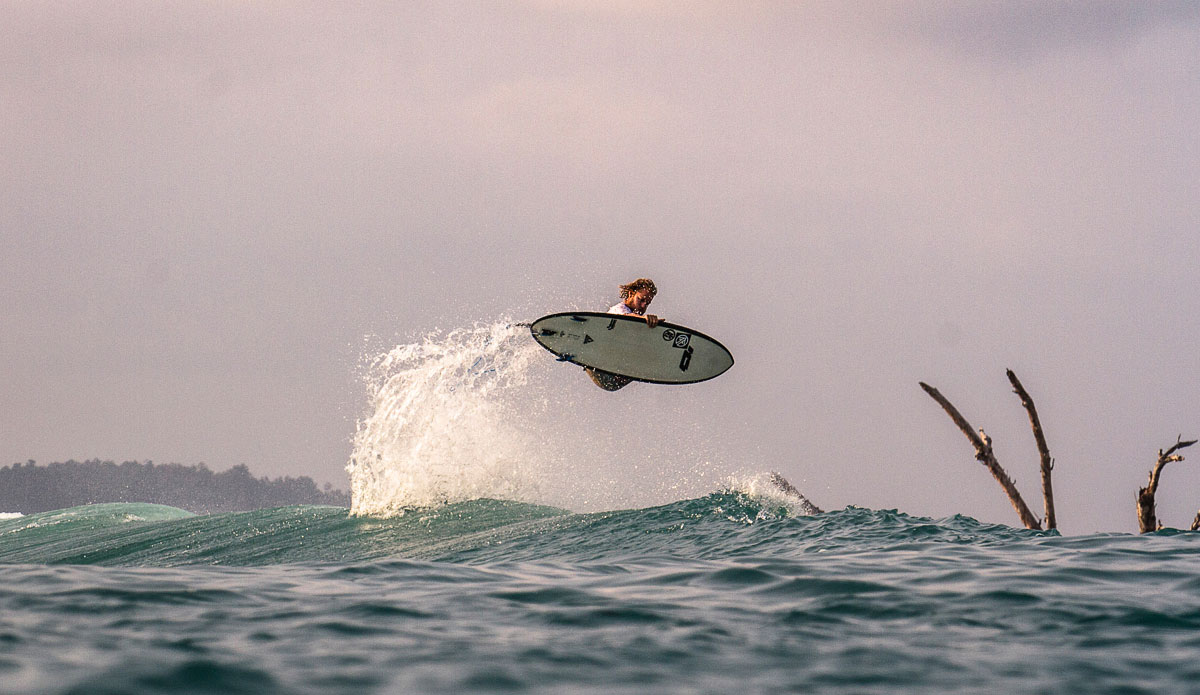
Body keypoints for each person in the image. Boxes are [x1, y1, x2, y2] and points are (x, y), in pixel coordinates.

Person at [586, 278, 661, 391]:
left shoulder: (636, 321)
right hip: (599, 369)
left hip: (614, 378)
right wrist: (643, 319)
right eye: (641, 300)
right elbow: (625, 317)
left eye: (647, 303)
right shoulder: (618, 309)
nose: (643, 306)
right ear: (631, 293)